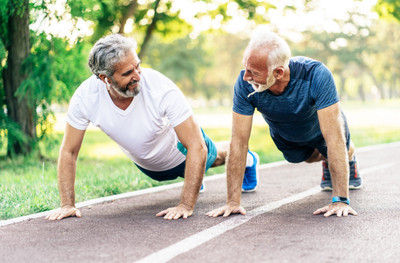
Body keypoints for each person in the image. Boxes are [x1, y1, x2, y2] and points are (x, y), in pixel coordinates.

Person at [45, 34, 259, 221]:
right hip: (149, 165)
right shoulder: (85, 98)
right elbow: (69, 151)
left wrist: (186, 204)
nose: (138, 75)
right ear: (104, 78)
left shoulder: (160, 87)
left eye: (137, 65)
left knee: (215, 156)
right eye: (128, 72)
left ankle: (247, 159)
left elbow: (197, 147)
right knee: (191, 169)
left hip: (182, 152)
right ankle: (193, 177)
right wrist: (67, 205)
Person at [206, 26, 362, 219]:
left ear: (278, 73)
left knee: (339, 148)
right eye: (245, 68)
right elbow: (238, 142)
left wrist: (340, 200)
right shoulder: (245, 83)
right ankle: (327, 159)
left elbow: (334, 139)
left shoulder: (316, 74)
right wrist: (232, 202)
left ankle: (349, 156)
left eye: (253, 72)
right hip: (286, 134)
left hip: (322, 129)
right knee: (300, 158)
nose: (246, 76)